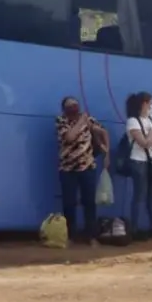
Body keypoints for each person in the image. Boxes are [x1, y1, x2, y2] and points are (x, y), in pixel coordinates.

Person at [54, 97, 109, 246]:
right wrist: (81, 122)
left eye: (75, 104)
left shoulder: (88, 120)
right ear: (64, 108)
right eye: (69, 105)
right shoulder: (61, 121)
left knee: (89, 202)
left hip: (87, 167)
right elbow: (70, 137)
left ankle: (90, 235)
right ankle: (70, 235)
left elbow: (103, 132)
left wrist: (106, 152)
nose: (73, 107)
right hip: (67, 168)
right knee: (69, 203)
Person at [125, 92, 152, 240]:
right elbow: (144, 143)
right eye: (150, 103)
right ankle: (135, 229)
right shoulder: (132, 121)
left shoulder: (151, 118)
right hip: (139, 161)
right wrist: (151, 134)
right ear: (143, 104)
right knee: (140, 195)